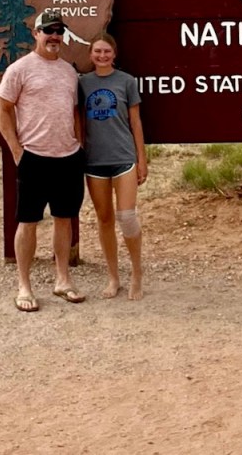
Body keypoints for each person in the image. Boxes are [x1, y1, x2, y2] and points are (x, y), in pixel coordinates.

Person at [0, 10, 86, 312]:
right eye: (48, 31)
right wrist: (16, 150)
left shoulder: (69, 72)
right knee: (28, 221)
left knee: (64, 218)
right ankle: (24, 285)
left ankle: (63, 279)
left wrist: (79, 144)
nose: (54, 36)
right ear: (36, 34)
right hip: (34, 157)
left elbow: (74, 111)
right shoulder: (20, 69)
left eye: (59, 31)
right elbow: (2, 109)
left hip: (68, 157)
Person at [79, 33, 147, 300]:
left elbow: (135, 122)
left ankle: (137, 274)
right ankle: (113, 277)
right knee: (104, 219)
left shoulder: (126, 81)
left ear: (114, 54)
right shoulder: (83, 83)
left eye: (107, 51)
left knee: (127, 217)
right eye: (97, 51)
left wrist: (142, 158)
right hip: (95, 160)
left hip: (123, 157)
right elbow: (78, 120)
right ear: (91, 55)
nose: (102, 56)